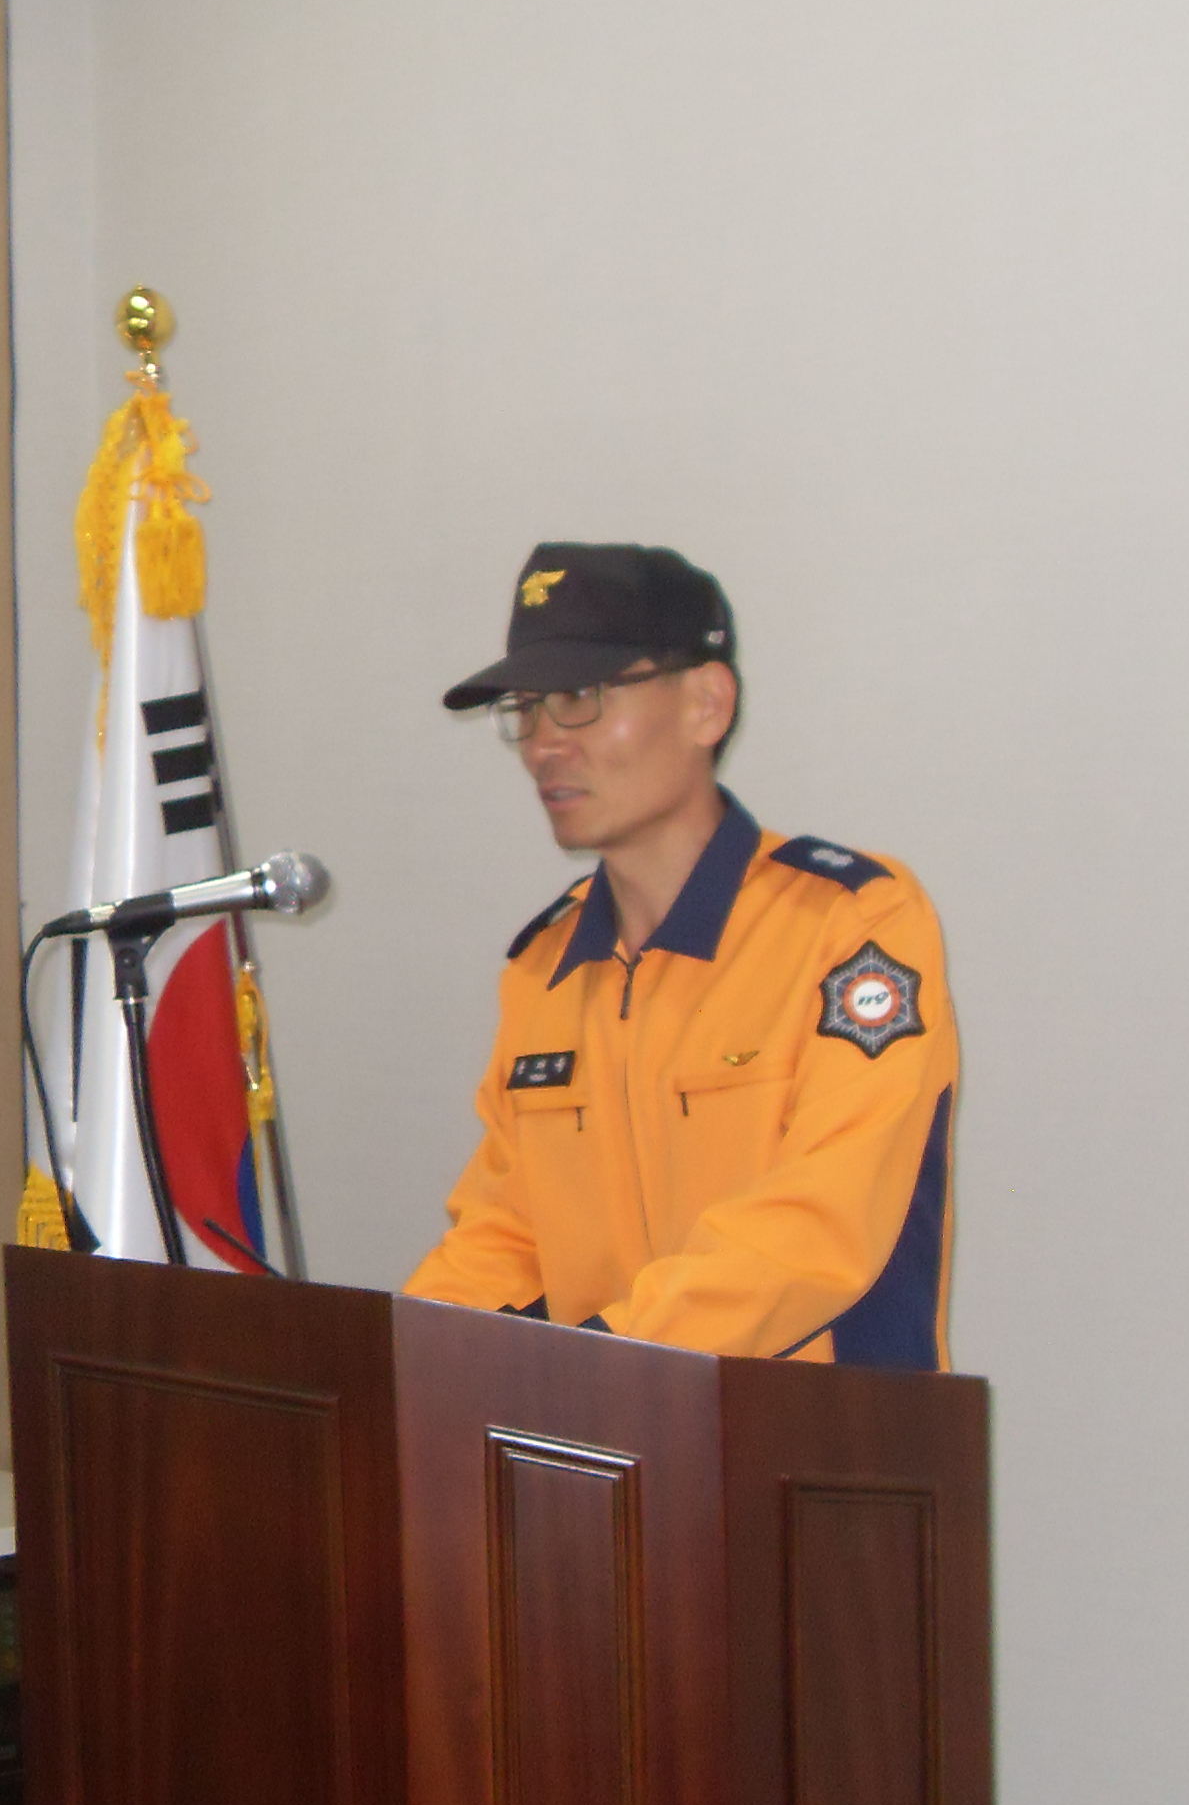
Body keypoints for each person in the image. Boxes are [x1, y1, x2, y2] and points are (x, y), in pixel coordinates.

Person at [403, 542, 960, 1365]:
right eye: (526, 708)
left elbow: (819, 1228)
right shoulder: (544, 971)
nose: (544, 743)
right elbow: (506, 1240)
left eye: (579, 699)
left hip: (814, 1435)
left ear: (707, 704)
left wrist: (607, 1359)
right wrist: (397, 1359)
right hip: (603, 1425)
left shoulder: (850, 925)